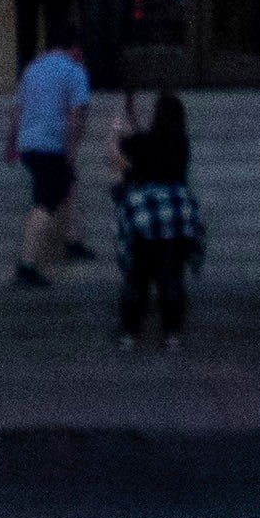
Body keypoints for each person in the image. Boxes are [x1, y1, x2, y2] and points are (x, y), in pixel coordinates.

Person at [113, 86, 201, 351]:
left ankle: (130, 333)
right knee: (172, 275)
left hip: (145, 211)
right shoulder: (181, 142)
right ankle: (172, 333)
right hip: (176, 210)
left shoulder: (138, 141)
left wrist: (119, 132)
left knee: (138, 276)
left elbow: (123, 165)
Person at [9, 32, 95, 285]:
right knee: (45, 203)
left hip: (29, 143)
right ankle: (27, 264)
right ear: (76, 48)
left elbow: (19, 108)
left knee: (65, 187)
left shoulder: (32, 69)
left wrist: (14, 141)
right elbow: (77, 115)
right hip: (52, 145)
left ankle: (72, 240)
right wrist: (71, 150)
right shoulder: (74, 71)